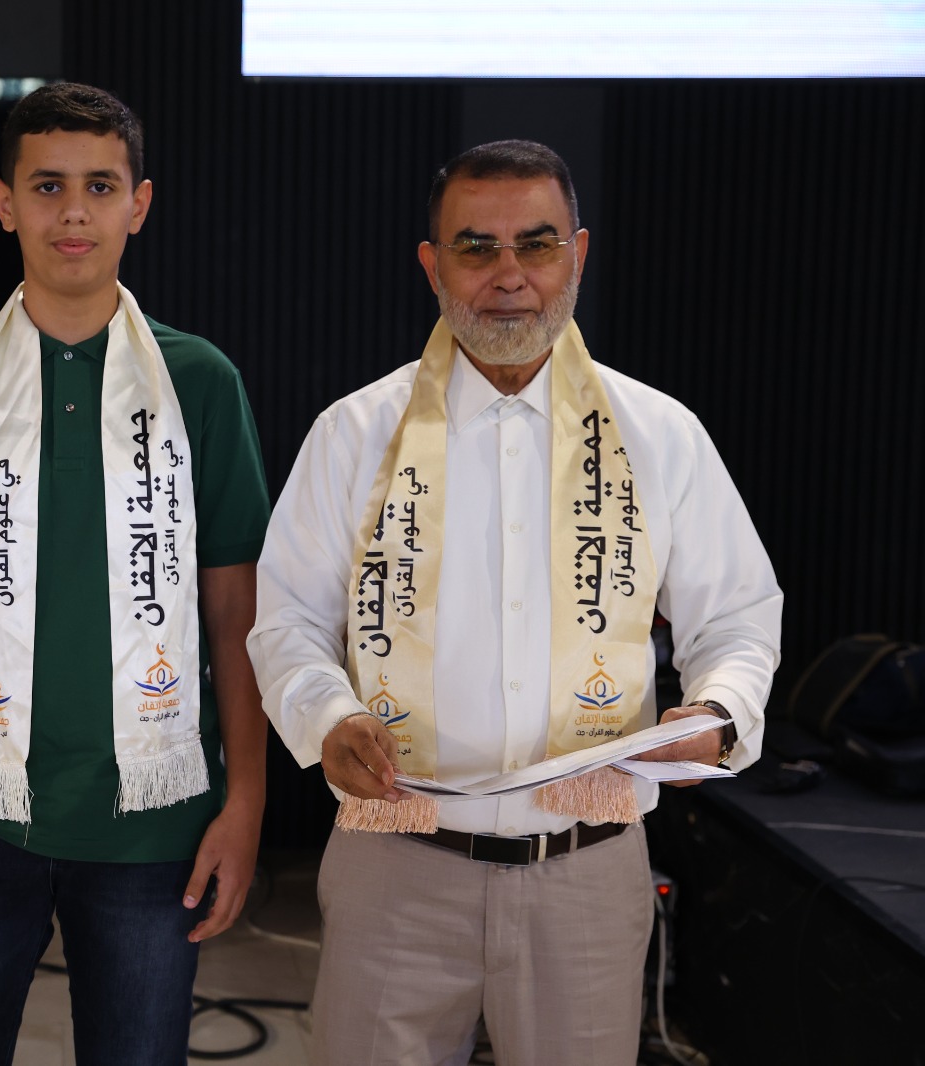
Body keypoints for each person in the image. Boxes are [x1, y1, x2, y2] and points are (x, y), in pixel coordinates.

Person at [248, 140, 782, 1065]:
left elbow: (737, 617)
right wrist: (328, 717)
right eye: (475, 247)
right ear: (432, 264)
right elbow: (287, 620)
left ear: (578, 255)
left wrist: (719, 712)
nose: (509, 276)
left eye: (536, 245)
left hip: (586, 873)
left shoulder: (658, 435)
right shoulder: (354, 434)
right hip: (395, 866)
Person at [0, 82, 270, 1066]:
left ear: (139, 204)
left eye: (99, 186)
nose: (74, 212)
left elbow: (235, 606)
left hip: (151, 824)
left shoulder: (201, 381)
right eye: (47, 186)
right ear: (5, 203)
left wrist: (245, 801)